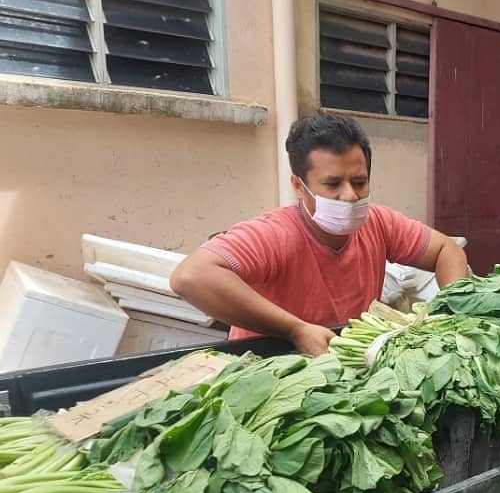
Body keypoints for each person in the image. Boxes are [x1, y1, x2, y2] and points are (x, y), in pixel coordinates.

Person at [171, 115, 469, 355]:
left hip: (338, 365)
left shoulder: (379, 223)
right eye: (332, 184)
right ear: (299, 187)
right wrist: (295, 330)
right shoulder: (276, 234)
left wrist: (455, 313)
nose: (349, 195)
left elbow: (447, 250)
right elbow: (190, 277)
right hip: (267, 367)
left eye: (359, 182)